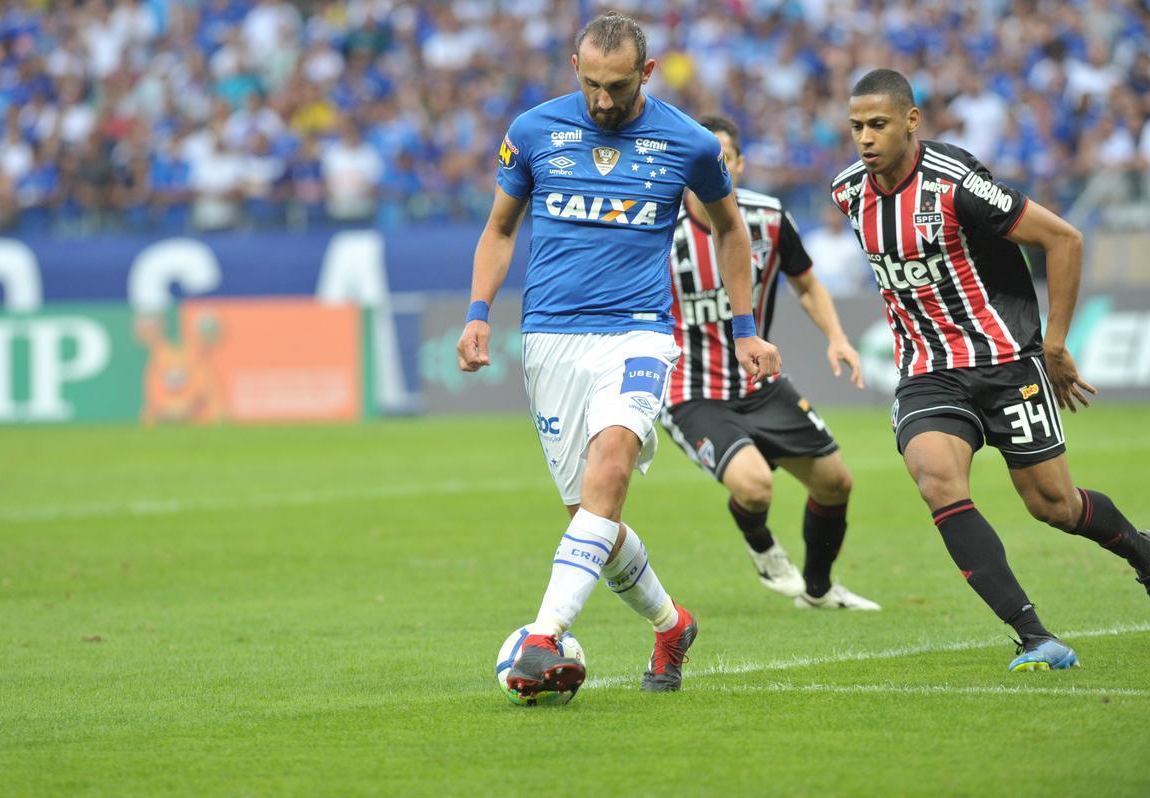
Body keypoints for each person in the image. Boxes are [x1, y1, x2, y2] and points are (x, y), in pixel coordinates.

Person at [456, 13, 781, 695]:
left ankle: (541, 639)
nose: (604, 100)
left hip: (638, 335)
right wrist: (478, 313)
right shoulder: (532, 132)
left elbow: (730, 230)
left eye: (620, 86)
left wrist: (744, 325)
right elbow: (498, 229)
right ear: (574, 64)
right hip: (549, 338)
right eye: (593, 84)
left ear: (648, 72)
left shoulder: (690, 143)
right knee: (590, 523)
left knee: (610, 472)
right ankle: (671, 625)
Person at [831, 68, 1150, 671]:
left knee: (1054, 505)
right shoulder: (847, 191)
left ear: (911, 121)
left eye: (878, 124)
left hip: (1007, 362)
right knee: (936, 478)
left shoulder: (958, 186)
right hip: (928, 370)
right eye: (856, 127)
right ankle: (1035, 636)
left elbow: (1066, 240)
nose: (866, 138)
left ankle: (1143, 552)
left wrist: (1053, 345)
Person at [662, 115, 879, 611]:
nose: (712, 167)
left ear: (738, 164)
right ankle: (763, 548)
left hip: (760, 382)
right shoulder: (659, 229)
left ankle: (819, 591)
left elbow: (805, 282)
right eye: (702, 159)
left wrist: (837, 337)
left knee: (836, 482)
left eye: (723, 158)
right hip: (691, 392)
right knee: (755, 486)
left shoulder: (769, 217)